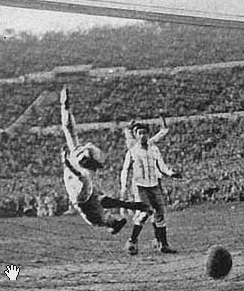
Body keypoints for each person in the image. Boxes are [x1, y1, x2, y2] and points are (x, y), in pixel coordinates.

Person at [60, 86, 152, 234]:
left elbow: (86, 183)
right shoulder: (94, 203)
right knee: (70, 131)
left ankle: (65, 109)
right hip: (77, 165)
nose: (112, 216)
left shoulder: (92, 210)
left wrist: (67, 163)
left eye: (113, 220)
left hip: (77, 168)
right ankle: (65, 108)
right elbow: (108, 202)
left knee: (71, 132)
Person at [120, 122, 182, 255]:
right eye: (139, 133)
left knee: (160, 214)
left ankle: (163, 245)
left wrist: (171, 174)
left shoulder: (154, 149)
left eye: (145, 133)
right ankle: (132, 241)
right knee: (144, 213)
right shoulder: (132, 151)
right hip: (140, 186)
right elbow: (125, 169)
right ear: (136, 136)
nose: (142, 136)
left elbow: (161, 165)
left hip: (154, 185)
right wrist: (124, 187)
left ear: (148, 134)